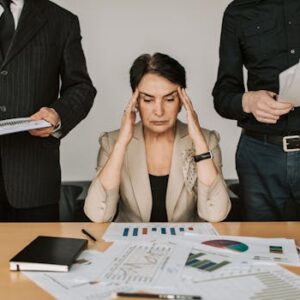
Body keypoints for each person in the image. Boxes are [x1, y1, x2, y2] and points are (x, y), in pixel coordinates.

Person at [84, 53, 230, 223]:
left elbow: (216, 214)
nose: (159, 111)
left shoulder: (207, 140)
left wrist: (198, 140)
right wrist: (122, 143)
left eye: (169, 99)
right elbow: (98, 215)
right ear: (135, 101)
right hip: (131, 245)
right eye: (148, 100)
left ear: (182, 100)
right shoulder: (111, 142)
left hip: (185, 244)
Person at [0, 0, 96, 221]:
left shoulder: (61, 20)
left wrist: (58, 115)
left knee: (36, 255)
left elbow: (81, 88)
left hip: (33, 181)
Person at [212, 0, 300, 221]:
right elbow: (222, 95)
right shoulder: (238, 11)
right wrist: (247, 101)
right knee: (262, 247)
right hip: (260, 156)